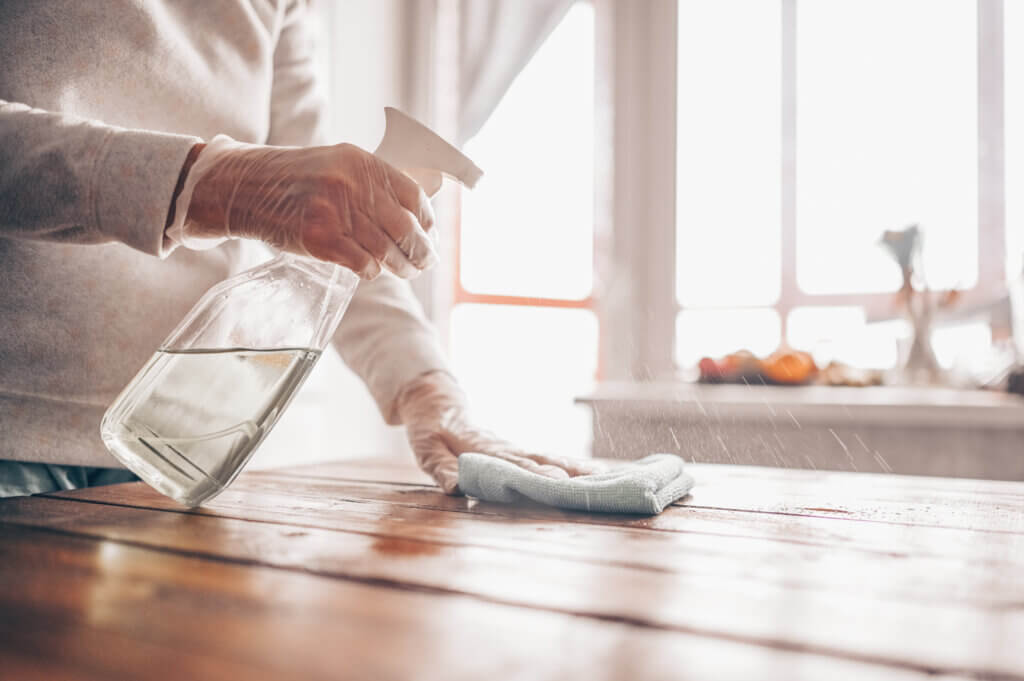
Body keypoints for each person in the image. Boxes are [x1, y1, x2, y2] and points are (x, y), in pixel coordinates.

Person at [0, 1, 591, 497]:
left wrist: (426, 387)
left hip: (186, 458)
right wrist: (218, 184)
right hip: (14, 440)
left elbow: (332, 236)